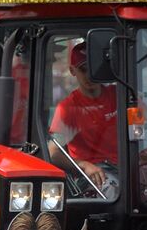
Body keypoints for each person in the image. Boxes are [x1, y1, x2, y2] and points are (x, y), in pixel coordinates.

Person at [48, 42, 118, 195]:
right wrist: (84, 165)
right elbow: (53, 153)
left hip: (127, 167)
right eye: (83, 70)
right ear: (72, 71)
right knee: (114, 192)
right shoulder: (68, 109)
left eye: (93, 69)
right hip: (92, 174)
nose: (89, 75)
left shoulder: (118, 96)